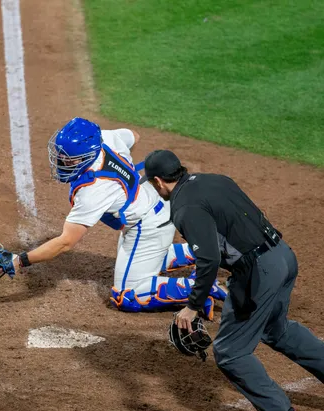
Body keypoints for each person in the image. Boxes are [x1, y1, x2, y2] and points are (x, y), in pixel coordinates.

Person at [141, 150, 324, 411]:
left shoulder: (185, 207)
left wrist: (193, 305)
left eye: (152, 184)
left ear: (159, 182)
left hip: (259, 272)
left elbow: (209, 259)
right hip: (282, 256)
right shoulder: (215, 179)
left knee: (230, 352)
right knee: (275, 328)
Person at [13, 117, 227, 317]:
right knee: (144, 255)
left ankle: (201, 287)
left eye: (70, 160)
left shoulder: (93, 192)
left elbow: (65, 242)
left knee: (127, 295)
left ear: (88, 155)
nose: (62, 162)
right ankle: (206, 250)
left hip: (148, 227)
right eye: (62, 156)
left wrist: (21, 261)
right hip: (157, 199)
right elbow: (134, 135)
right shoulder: (105, 138)